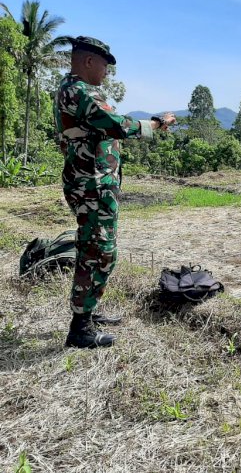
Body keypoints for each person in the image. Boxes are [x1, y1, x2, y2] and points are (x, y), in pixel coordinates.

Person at [54, 36, 176, 348]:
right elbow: (117, 124)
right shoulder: (77, 91)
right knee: (99, 252)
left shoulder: (77, 90)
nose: (108, 71)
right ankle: (80, 328)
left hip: (96, 184)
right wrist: (156, 123)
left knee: (98, 250)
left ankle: (88, 312)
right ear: (89, 61)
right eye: (105, 64)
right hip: (91, 185)